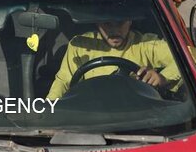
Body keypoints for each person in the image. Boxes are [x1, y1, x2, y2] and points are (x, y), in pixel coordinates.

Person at [47, 19, 182, 100]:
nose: (114, 30)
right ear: (97, 23)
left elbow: (190, 57)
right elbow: (63, 82)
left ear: (129, 21)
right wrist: (49, 111)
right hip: (91, 114)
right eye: (107, 23)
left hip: (138, 115)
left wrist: (163, 77)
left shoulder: (146, 44)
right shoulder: (81, 45)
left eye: (120, 23)